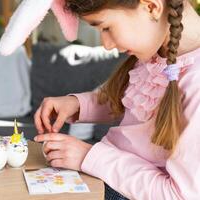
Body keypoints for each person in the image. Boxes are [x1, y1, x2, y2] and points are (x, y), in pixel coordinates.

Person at [31, 0, 200, 199]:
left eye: (106, 27)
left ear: (151, 7)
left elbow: (179, 195)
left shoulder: (195, 82)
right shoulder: (155, 52)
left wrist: (89, 156)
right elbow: (136, 104)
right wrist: (77, 105)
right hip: (103, 177)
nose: (107, 44)